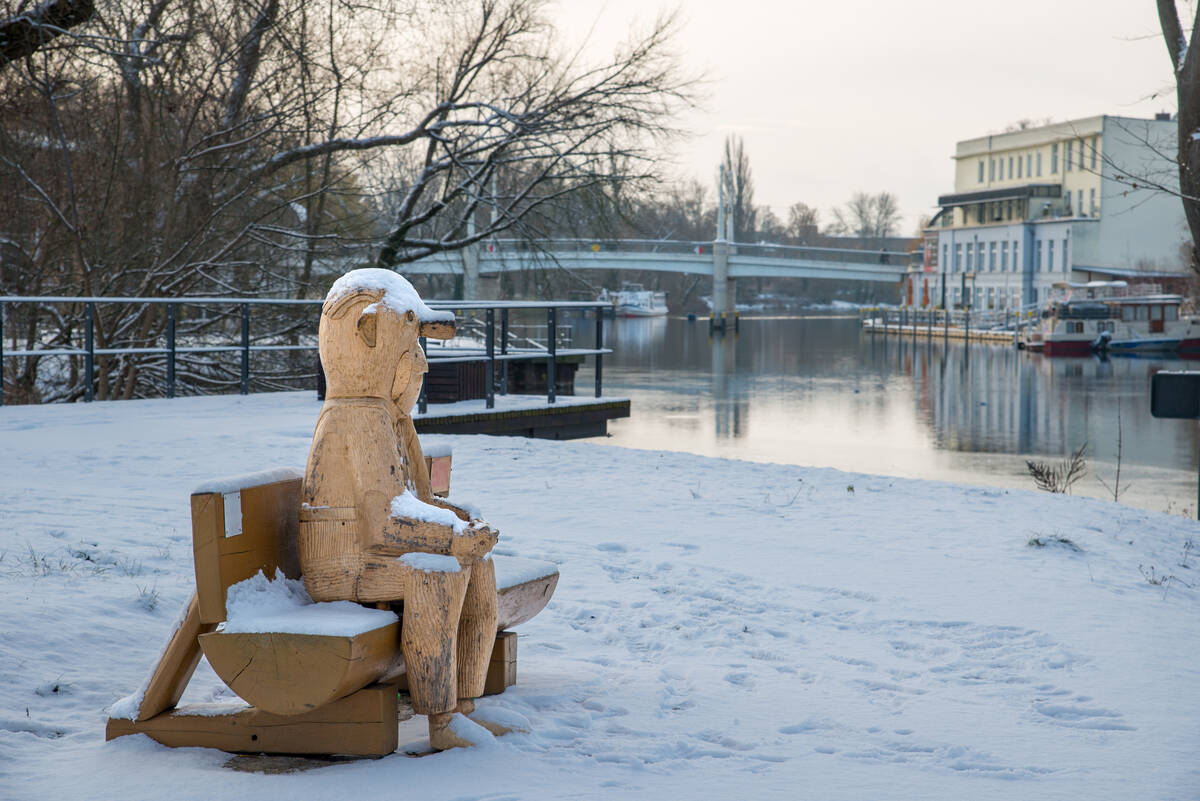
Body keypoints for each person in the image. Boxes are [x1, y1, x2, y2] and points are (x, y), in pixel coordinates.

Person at [298, 268, 504, 750]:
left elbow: (418, 500)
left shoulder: (391, 417)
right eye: (410, 352)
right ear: (368, 344)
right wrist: (450, 539)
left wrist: (458, 521)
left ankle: (464, 705)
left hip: (372, 551)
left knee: (478, 564)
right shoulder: (357, 415)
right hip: (342, 562)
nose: (422, 367)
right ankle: (440, 720)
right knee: (437, 574)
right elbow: (384, 519)